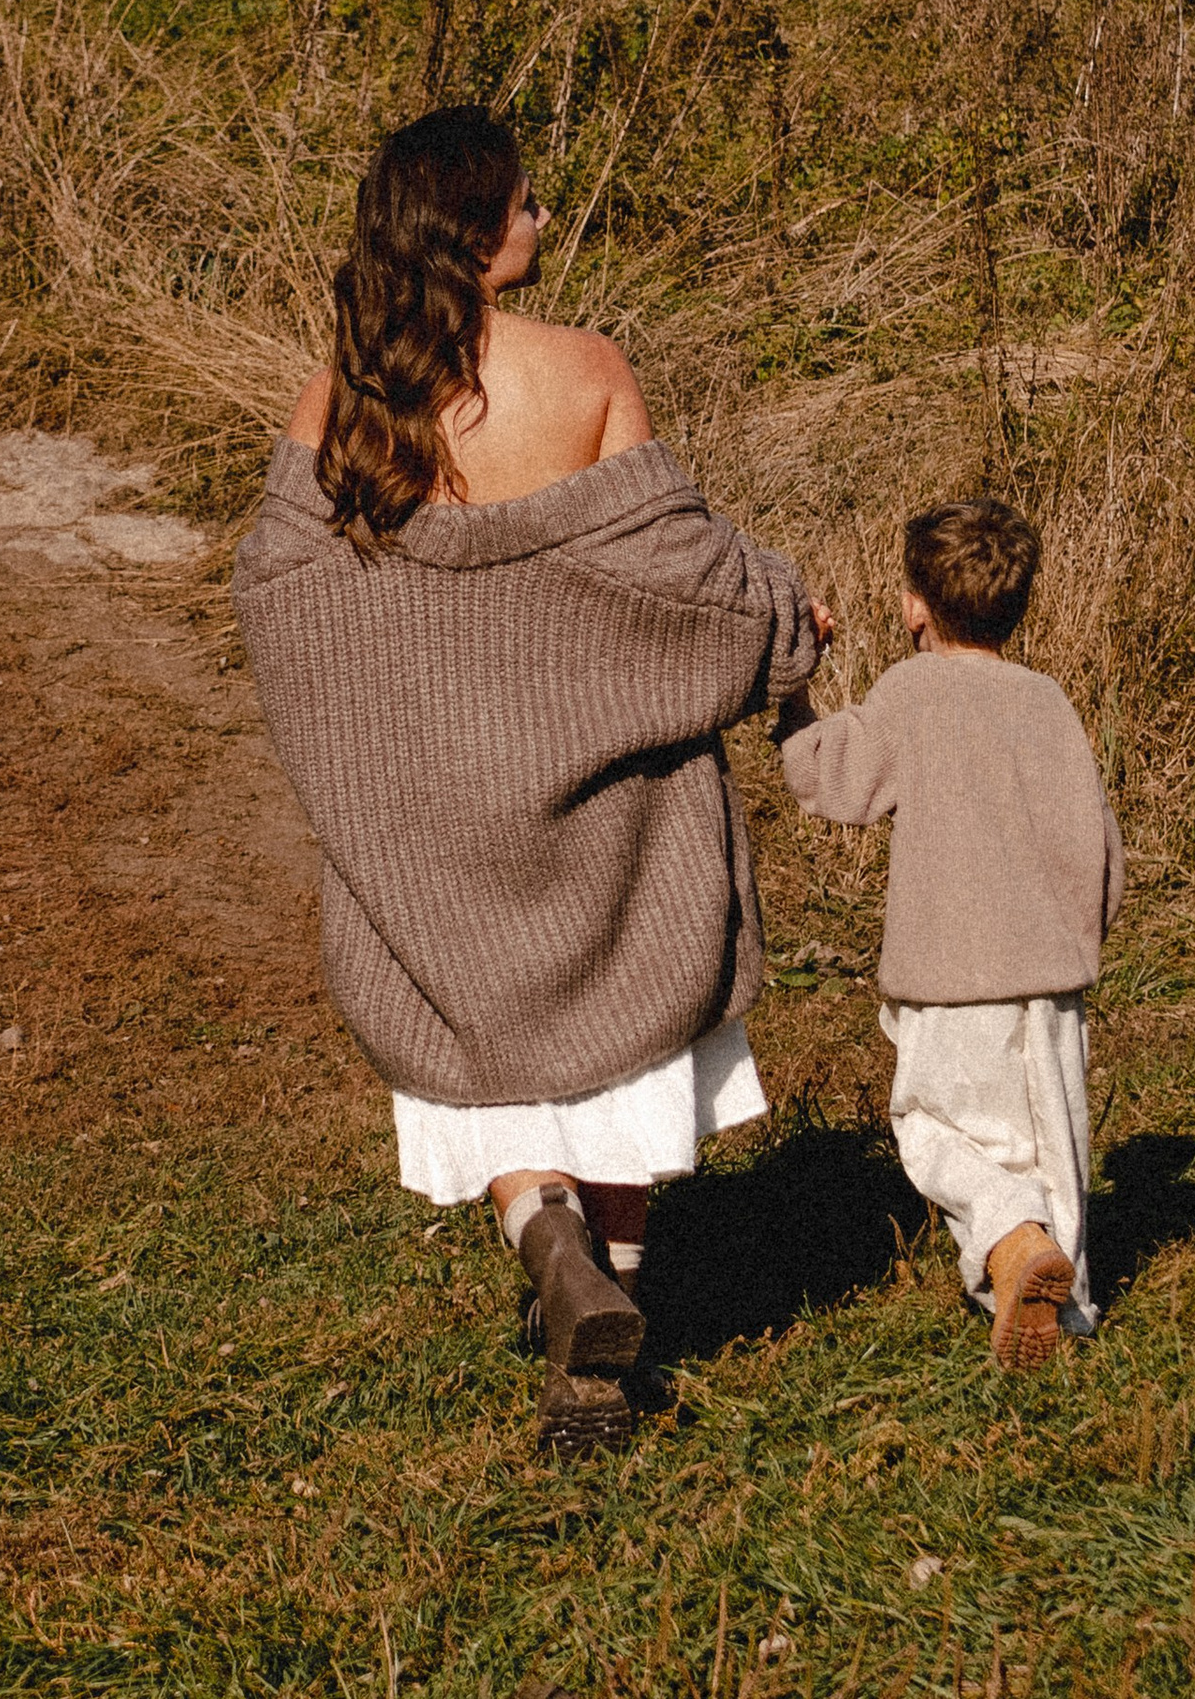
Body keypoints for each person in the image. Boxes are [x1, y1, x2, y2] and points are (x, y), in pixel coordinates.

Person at [234, 104, 828, 1457]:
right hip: (599, 810)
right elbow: (684, 579)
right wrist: (785, 619)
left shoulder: (344, 393)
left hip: (432, 820)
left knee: (485, 1067)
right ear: (472, 227)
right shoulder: (587, 369)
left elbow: (278, 589)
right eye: (526, 202)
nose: (545, 219)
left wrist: (390, 729)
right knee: (620, 1060)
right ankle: (602, 1336)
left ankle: (539, 1228)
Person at [775, 496, 1123, 1369]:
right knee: (1050, 1139)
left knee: (935, 1128)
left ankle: (1011, 1246)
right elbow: (1102, 846)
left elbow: (829, 778)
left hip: (947, 976)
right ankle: (1061, 1297)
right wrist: (1083, 936)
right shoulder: (1049, 702)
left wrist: (791, 689)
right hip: (1051, 978)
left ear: (913, 606)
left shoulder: (911, 692)